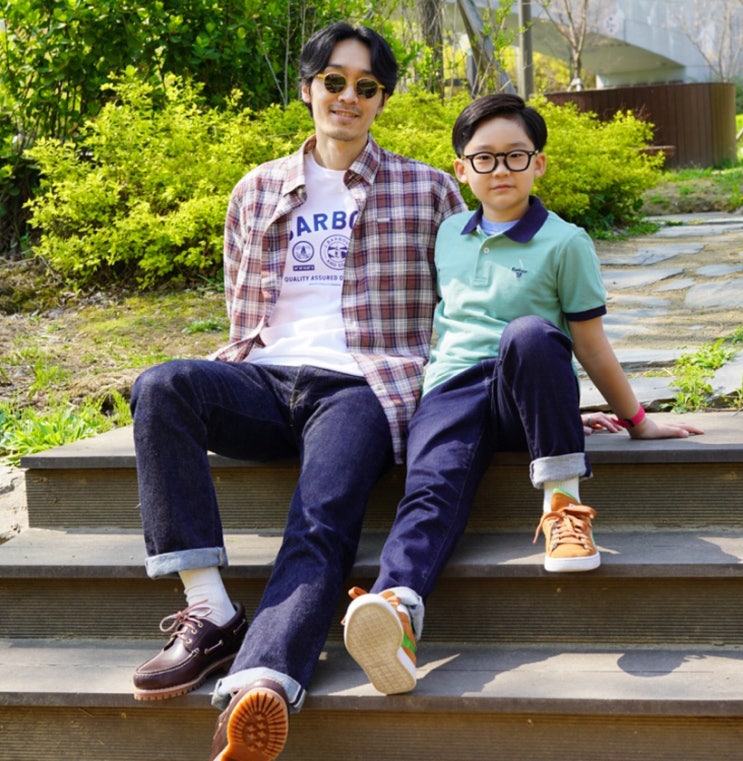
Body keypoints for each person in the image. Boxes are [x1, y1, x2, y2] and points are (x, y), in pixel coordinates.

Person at [128, 22, 467, 761]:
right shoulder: (255, 189)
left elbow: (471, 303)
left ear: (381, 99)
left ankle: (264, 678)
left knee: (319, 518)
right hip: (263, 376)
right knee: (161, 386)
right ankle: (209, 610)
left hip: (363, 383)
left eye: (366, 86)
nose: (348, 96)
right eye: (333, 81)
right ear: (308, 88)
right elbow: (240, 310)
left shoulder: (429, 188)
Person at [342, 93, 704, 697]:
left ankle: (563, 509)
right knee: (429, 489)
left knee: (531, 333)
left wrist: (637, 419)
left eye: (515, 155)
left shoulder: (566, 242)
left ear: (538, 163)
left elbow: (590, 345)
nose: (501, 169)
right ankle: (397, 610)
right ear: (462, 170)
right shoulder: (449, 234)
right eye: (484, 158)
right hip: (452, 389)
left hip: (522, 387)